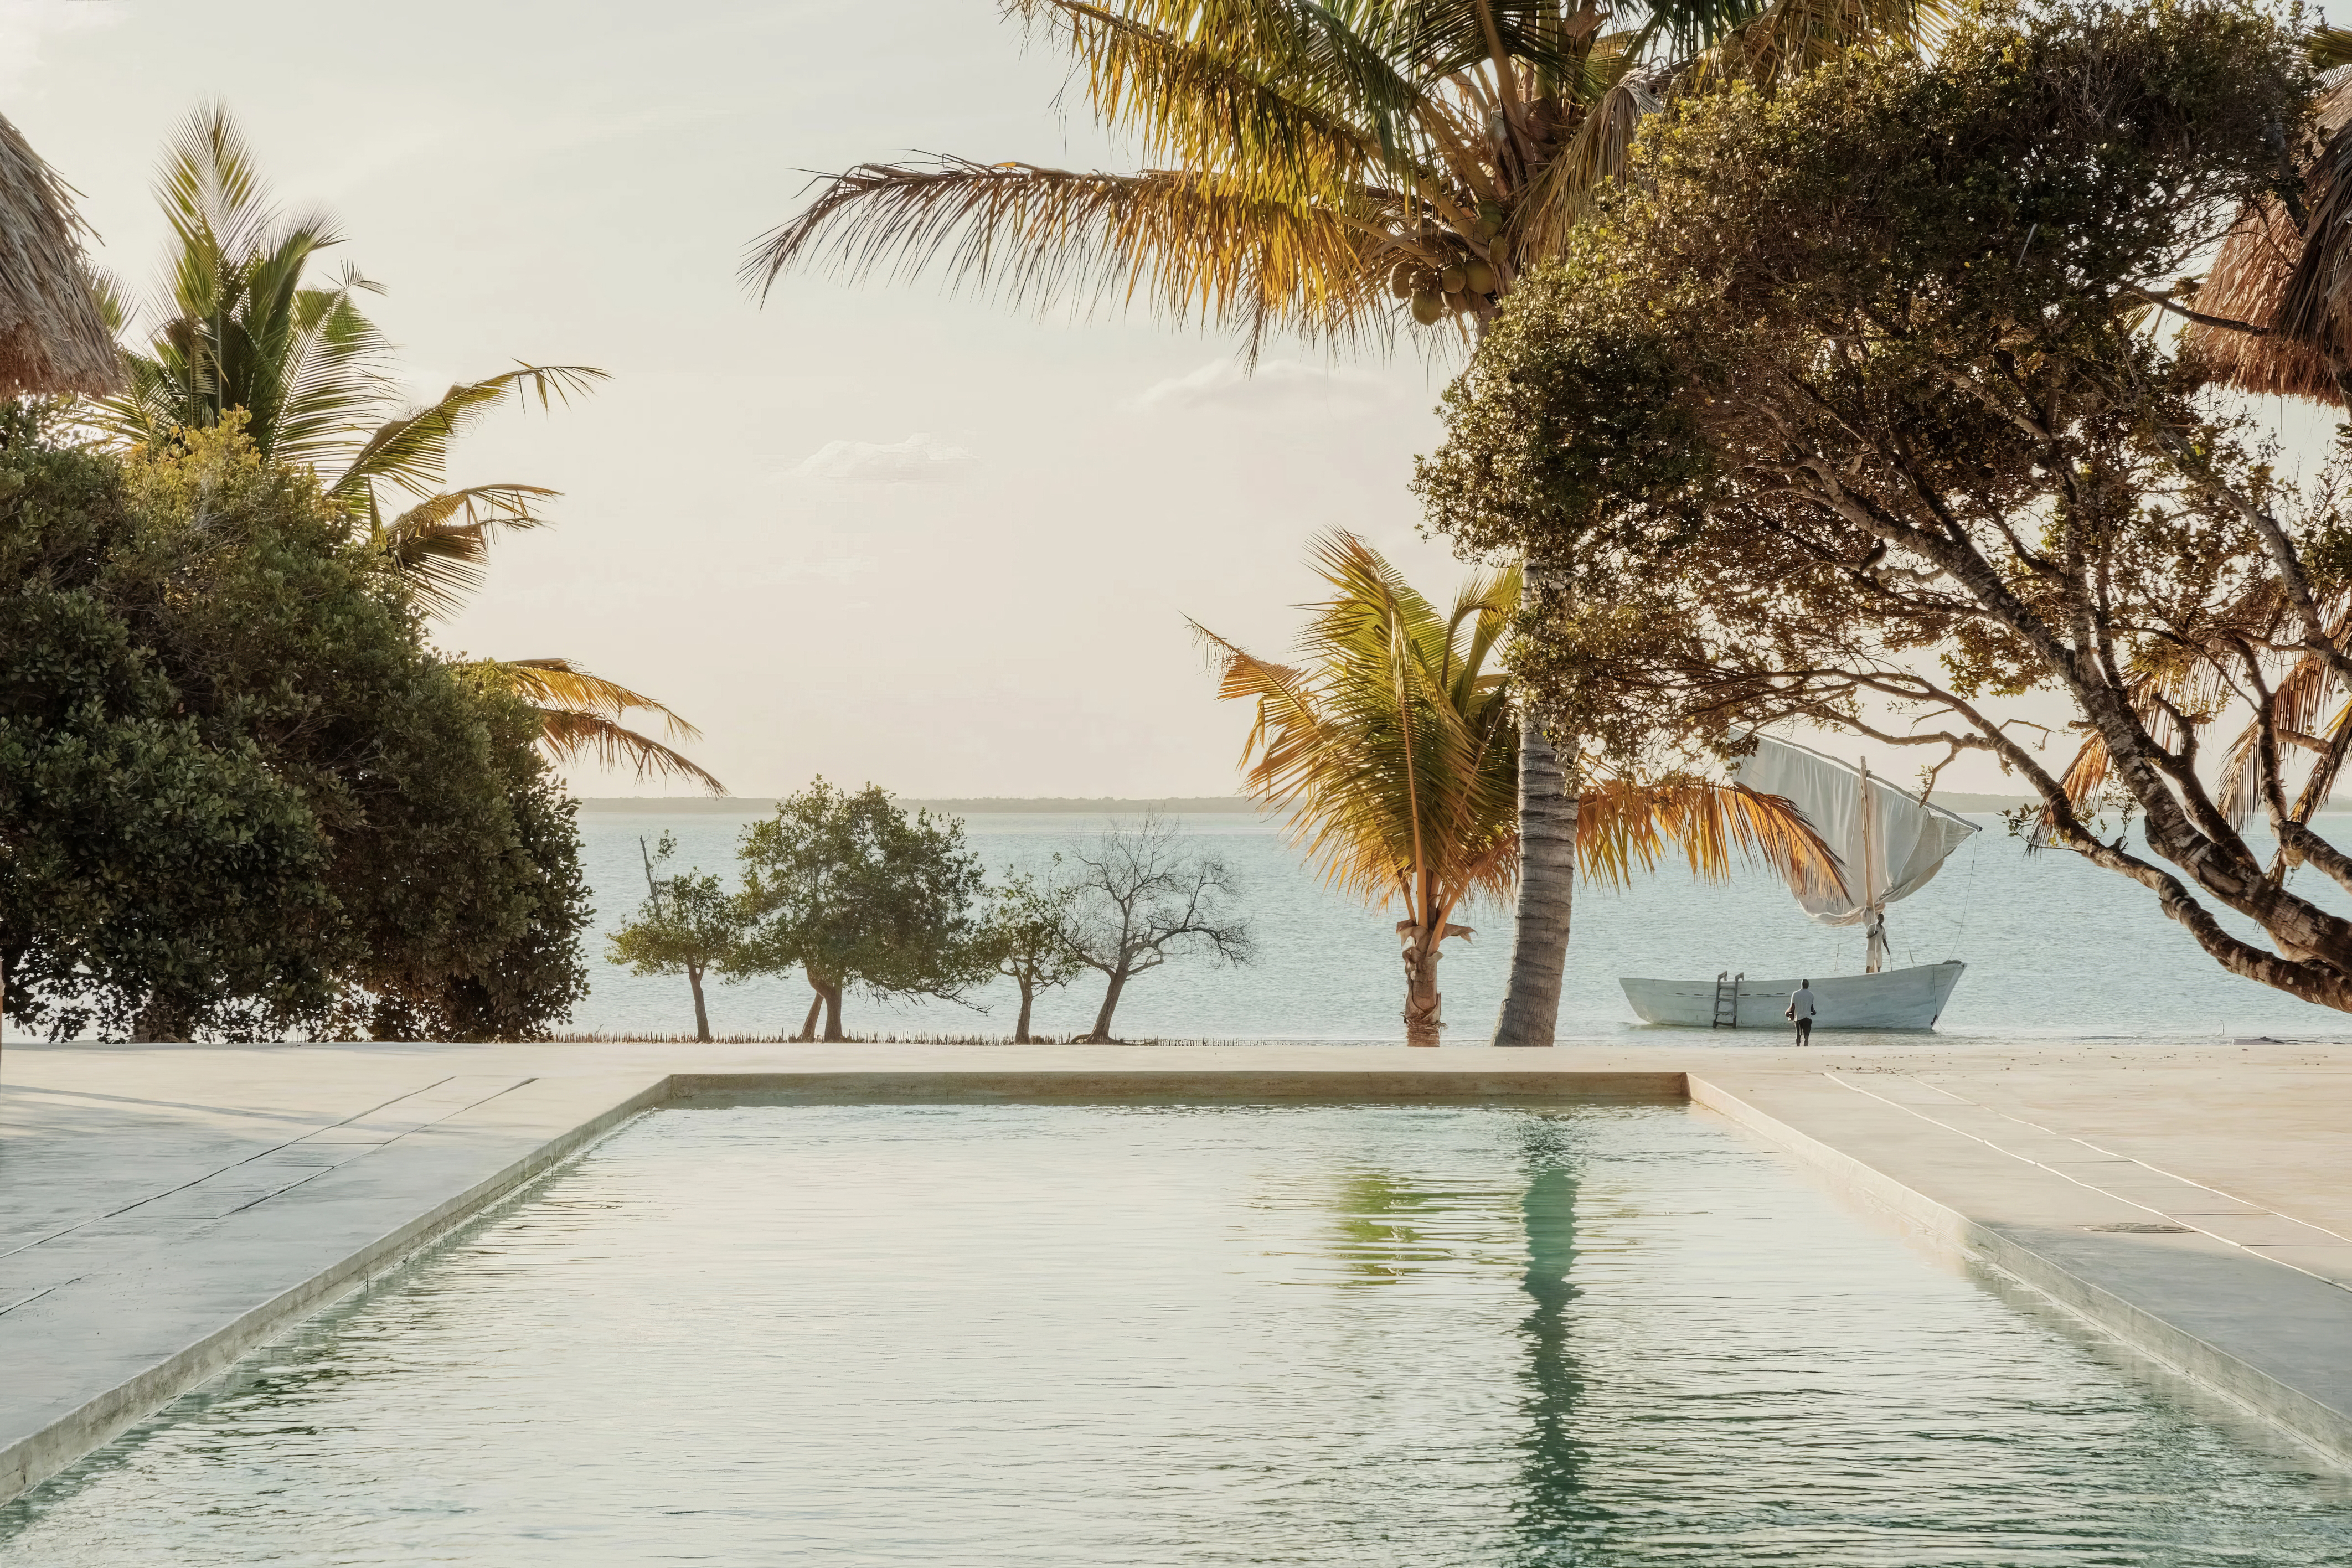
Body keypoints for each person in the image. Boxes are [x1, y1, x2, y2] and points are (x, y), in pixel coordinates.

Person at [1785, 980, 1817, 1046]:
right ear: (1808, 985)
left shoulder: (1795, 993)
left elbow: (1792, 1006)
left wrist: (1787, 1012)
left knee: (1798, 1035)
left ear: (1801, 985)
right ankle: (1806, 1048)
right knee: (1806, 1037)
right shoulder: (1811, 994)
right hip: (1808, 1018)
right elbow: (1811, 1007)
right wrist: (1814, 1012)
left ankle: (1798, 1047)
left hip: (1798, 1018)